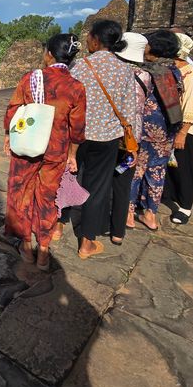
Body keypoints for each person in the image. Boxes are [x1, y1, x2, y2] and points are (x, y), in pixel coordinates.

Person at [4, 34, 86, 270]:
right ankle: (43, 251)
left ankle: (26, 247)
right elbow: (78, 129)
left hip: (26, 147)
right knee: (48, 199)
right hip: (56, 151)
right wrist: (72, 154)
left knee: (21, 194)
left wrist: (9, 136)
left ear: (49, 54)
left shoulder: (31, 79)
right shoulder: (76, 87)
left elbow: (13, 109)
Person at [65, 20, 137, 259]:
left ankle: (56, 227)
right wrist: (132, 143)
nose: (86, 41)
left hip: (79, 135)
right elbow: (129, 110)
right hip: (108, 138)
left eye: (88, 38)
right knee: (98, 189)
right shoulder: (125, 69)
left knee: (69, 178)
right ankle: (86, 243)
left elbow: (69, 101)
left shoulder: (80, 67)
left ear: (96, 40)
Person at [130, 30, 184, 231]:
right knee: (156, 172)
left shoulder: (146, 72)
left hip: (144, 129)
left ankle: (128, 212)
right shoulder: (175, 71)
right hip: (166, 130)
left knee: (135, 169)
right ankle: (150, 214)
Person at [110, 32, 149, 245]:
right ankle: (117, 232)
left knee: (98, 181)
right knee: (123, 184)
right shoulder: (145, 76)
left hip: (110, 132)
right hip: (132, 137)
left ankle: (93, 226)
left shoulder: (115, 72)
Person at [167, 33, 193, 225]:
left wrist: (182, 132)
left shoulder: (192, 75)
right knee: (168, 165)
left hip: (182, 128)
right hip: (167, 125)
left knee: (183, 167)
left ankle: (185, 206)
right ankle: (169, 193)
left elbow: (191, 106)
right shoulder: (171, 70)